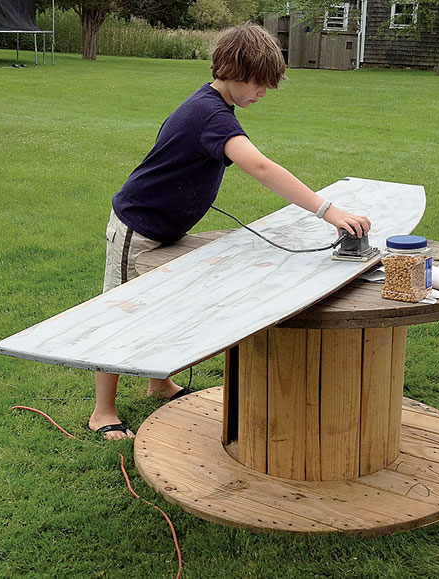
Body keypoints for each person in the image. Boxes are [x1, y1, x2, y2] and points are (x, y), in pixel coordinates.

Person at [88, 22, 371, 440]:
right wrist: (326, 210)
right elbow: (259, 166)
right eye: (260, 83)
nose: (264, 93)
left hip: (167, 230)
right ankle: (102, 411)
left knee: (168, 304)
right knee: (122, 315)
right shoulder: (210, 115)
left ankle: (158, 382)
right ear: (236, 73)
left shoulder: (215, 108)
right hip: (138, 227)